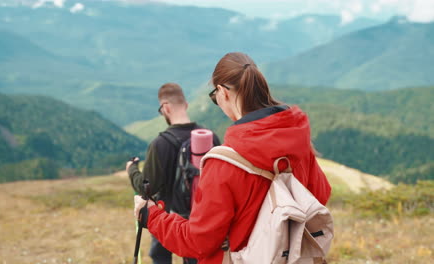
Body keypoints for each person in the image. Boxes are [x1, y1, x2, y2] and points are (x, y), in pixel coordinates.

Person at [133, 52, 332, 263]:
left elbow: (199, 242)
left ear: (222, 92)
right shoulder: (297, 139)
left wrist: (151, 216)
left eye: (214, 97)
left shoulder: (223, 163)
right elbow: (319, 194)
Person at [127, 82, 221, 264]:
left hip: (167, 216)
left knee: (160, 256)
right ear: (185, 105)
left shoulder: (160, 144)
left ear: (165, 108)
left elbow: (146, 188)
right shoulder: (210, 137)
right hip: (203, 219)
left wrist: (131, 170)